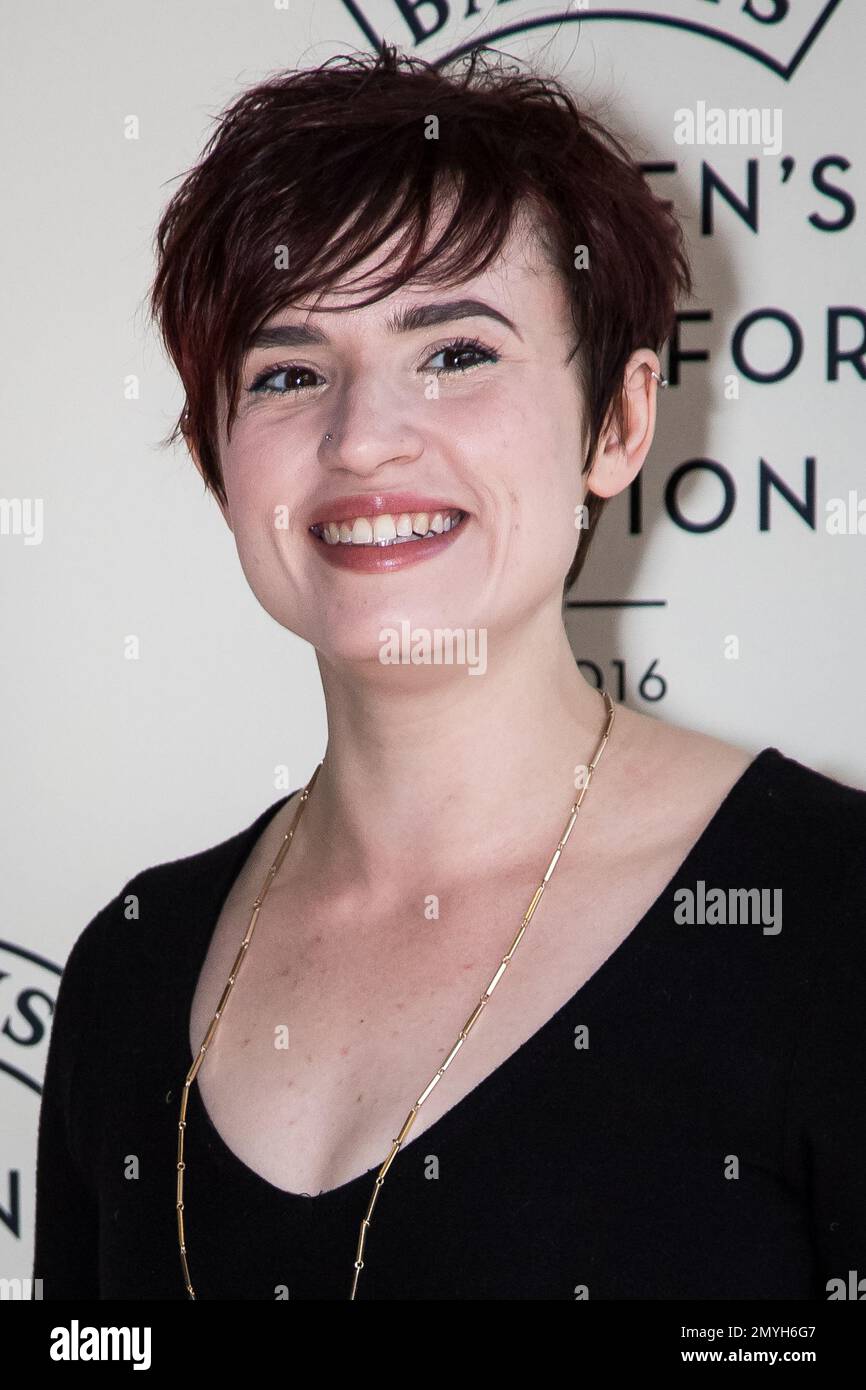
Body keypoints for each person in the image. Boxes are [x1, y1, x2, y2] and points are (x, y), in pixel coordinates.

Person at [32, 46, 866, 1301]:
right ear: (217, 452)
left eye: (455, 352)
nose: (363, 436)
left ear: (618, 423)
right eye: (289, 372)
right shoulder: (129, 972)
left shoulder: (830, 917)